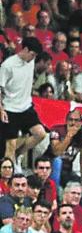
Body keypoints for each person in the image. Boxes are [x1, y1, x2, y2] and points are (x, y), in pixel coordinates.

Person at [0, 37, 47, 166]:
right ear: (25, 50)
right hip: (10, 109)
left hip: (26, 107)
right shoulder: (8, 66)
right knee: (10, 145)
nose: (33, 58)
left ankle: (18, 154)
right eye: (32, 55)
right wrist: (1, 109)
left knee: (40, 134)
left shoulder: (30, 62)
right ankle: (8, 176)